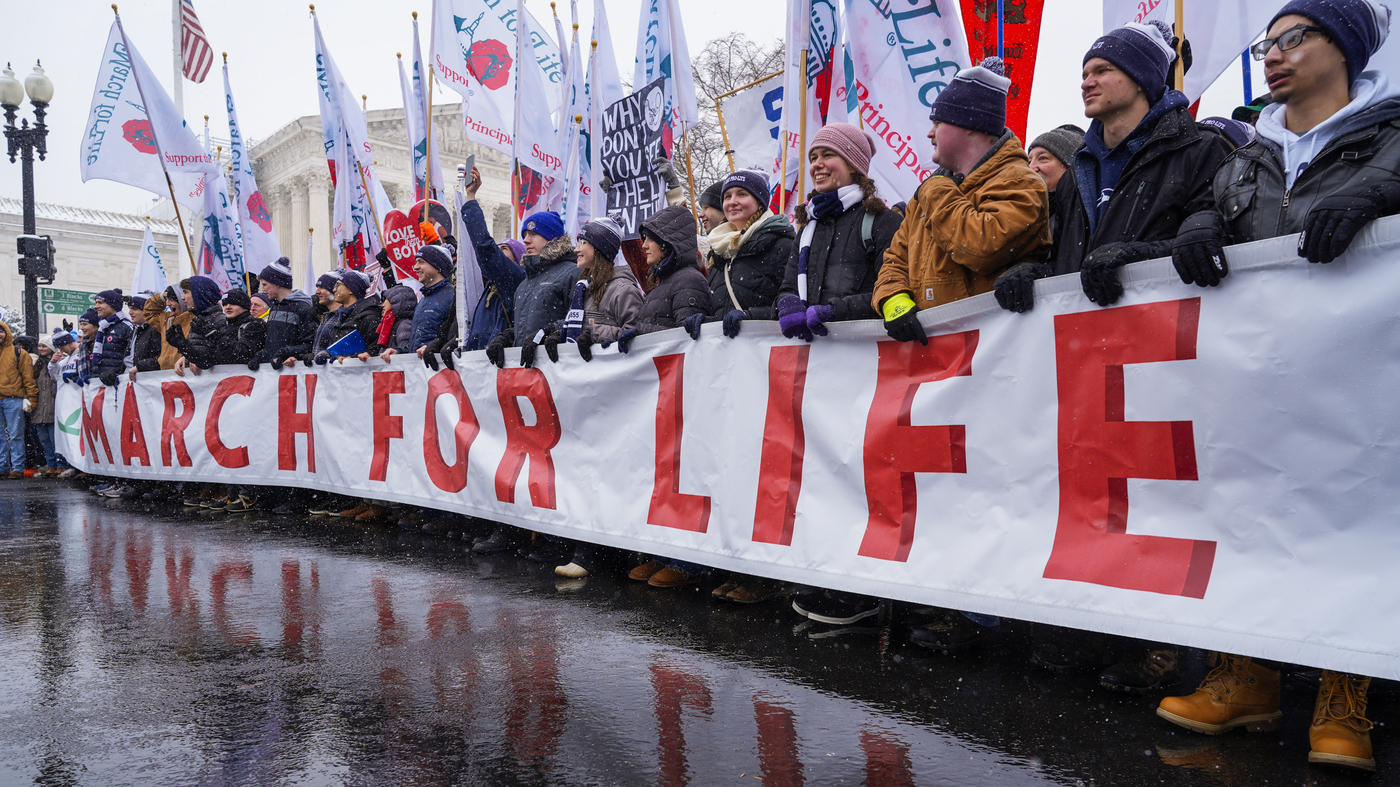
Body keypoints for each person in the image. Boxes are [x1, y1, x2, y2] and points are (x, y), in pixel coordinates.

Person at [1163, 0, 1398, 771]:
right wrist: (1198, 224)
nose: (1275, 54)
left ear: (1348, 51)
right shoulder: (1251, 153)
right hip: (1257, 378)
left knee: (1350, 519)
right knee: (1247, 510)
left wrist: (1380, 201)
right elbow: (1219, 212)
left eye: (1296, 39)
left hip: (1360, 383)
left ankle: (1344, 695)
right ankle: (1247, 676)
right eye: (1269, 42)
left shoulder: (1392, 138)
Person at [1021, 21, 1232, 314]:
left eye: (1102, 71)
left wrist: (1136, 258)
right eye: (1084, 74)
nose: (1086, 83)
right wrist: (1034, 275)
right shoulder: (1075, 176)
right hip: (1086, 340)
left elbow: (1220, 245)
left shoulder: (1200, 149)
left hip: (1167, 336)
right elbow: (1065, 263)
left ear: (1140, 79)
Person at [875, 57, 1047, 335]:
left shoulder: (1021, 182)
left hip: (994, 353)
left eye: (938, 122)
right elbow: (895, 260)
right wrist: (895, 300)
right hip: (938, 359)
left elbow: (981, 247)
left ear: (970, 125)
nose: (930, 133)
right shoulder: (928, 194)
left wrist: (936, 188)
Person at [775, 122, 901, 343]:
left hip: (868, 356)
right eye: (813, 158)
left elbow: (893, 291)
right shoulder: (806, 230)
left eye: (827, 155)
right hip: (817, 361)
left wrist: (835, 311)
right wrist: (786, 303)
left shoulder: (883, 221)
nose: (817, 165)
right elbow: (788, 287)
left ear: (853, 165)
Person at [700, 168, 796, 340]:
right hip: (728, 359)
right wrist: (705, 321)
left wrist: (751, 317)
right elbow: (721, 309)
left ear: (760, 202)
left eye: (742, 194)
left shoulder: (782, 244)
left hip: (766, 353)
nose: (732, 201)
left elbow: (792, 304)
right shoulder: (719, 250)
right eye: (727, 196)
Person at [484, 210, 578, 370]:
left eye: (533, 234)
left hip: (559, 370)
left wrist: (550, 333)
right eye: (525, 234)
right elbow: (525, 328)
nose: (526, 240)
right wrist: (506, 337)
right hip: (530, 374)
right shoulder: (525, 284)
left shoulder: (573, 272)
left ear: (552, 238)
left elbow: (582, 319)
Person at [457, 165, 526, 352]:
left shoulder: (514, 278)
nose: (498, 251)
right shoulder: (488, 287)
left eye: (504, 249)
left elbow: (485, 248)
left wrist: (470, 198)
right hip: (480, 364)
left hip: (497, 363)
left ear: (517, 258)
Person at [568, 215, 643, 361]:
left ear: (599, 248)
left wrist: (594, 334)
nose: (576, 249)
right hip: (588, 377)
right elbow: (580, 326)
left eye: (583, 243)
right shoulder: (584, 287)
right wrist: (556, 333)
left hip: (614, 376)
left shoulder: (623, 290)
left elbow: (637, 335)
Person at [250, 258, 317, 370]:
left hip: (294, 373)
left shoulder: (303, 309)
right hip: (274, 373)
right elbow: (272, 344)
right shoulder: (275, 307)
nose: (263, 289)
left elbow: (311, 345)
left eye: (265, 285)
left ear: (277, 284)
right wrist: (259, 356)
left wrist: (284, 353)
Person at [316, 270, 382, 364]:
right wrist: (328, 354)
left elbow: (375, 351)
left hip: (360, 376)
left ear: (351, 289)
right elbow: (338, 348)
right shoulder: (340, 318)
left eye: (338, 285)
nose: (334, 289)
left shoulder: (369, 317)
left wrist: (351, 358)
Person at [167, 276, 227, 375]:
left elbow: (216, 356)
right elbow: (199, 351)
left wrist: (188, 351)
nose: (182, 297)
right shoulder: (198, 319)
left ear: (199, 294)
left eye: (186, 292)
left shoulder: (220, 320)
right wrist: (185, 356)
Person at [0, 322, 37, 480]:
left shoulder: (19, 353)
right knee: (1, 436)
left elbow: (28, 378)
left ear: (6, 333)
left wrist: (32, 398)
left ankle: (17, 468)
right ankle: (2, 468)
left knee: (16, 435)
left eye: (1, 332)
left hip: (13, 399)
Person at [90, 288, 134, 387]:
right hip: (101, 383)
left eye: (100, 303)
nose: (96, 306)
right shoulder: (102, 327)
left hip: (119, 383)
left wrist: (116, 373)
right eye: (96, 303)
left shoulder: (127, 327)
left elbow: (132, 356)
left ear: (112, 305)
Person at [377, 284, 417, 354]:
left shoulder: (404, 325)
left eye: (386, 300)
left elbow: (406, 357)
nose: (382, 305)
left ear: (397, 303)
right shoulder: (391, 325)